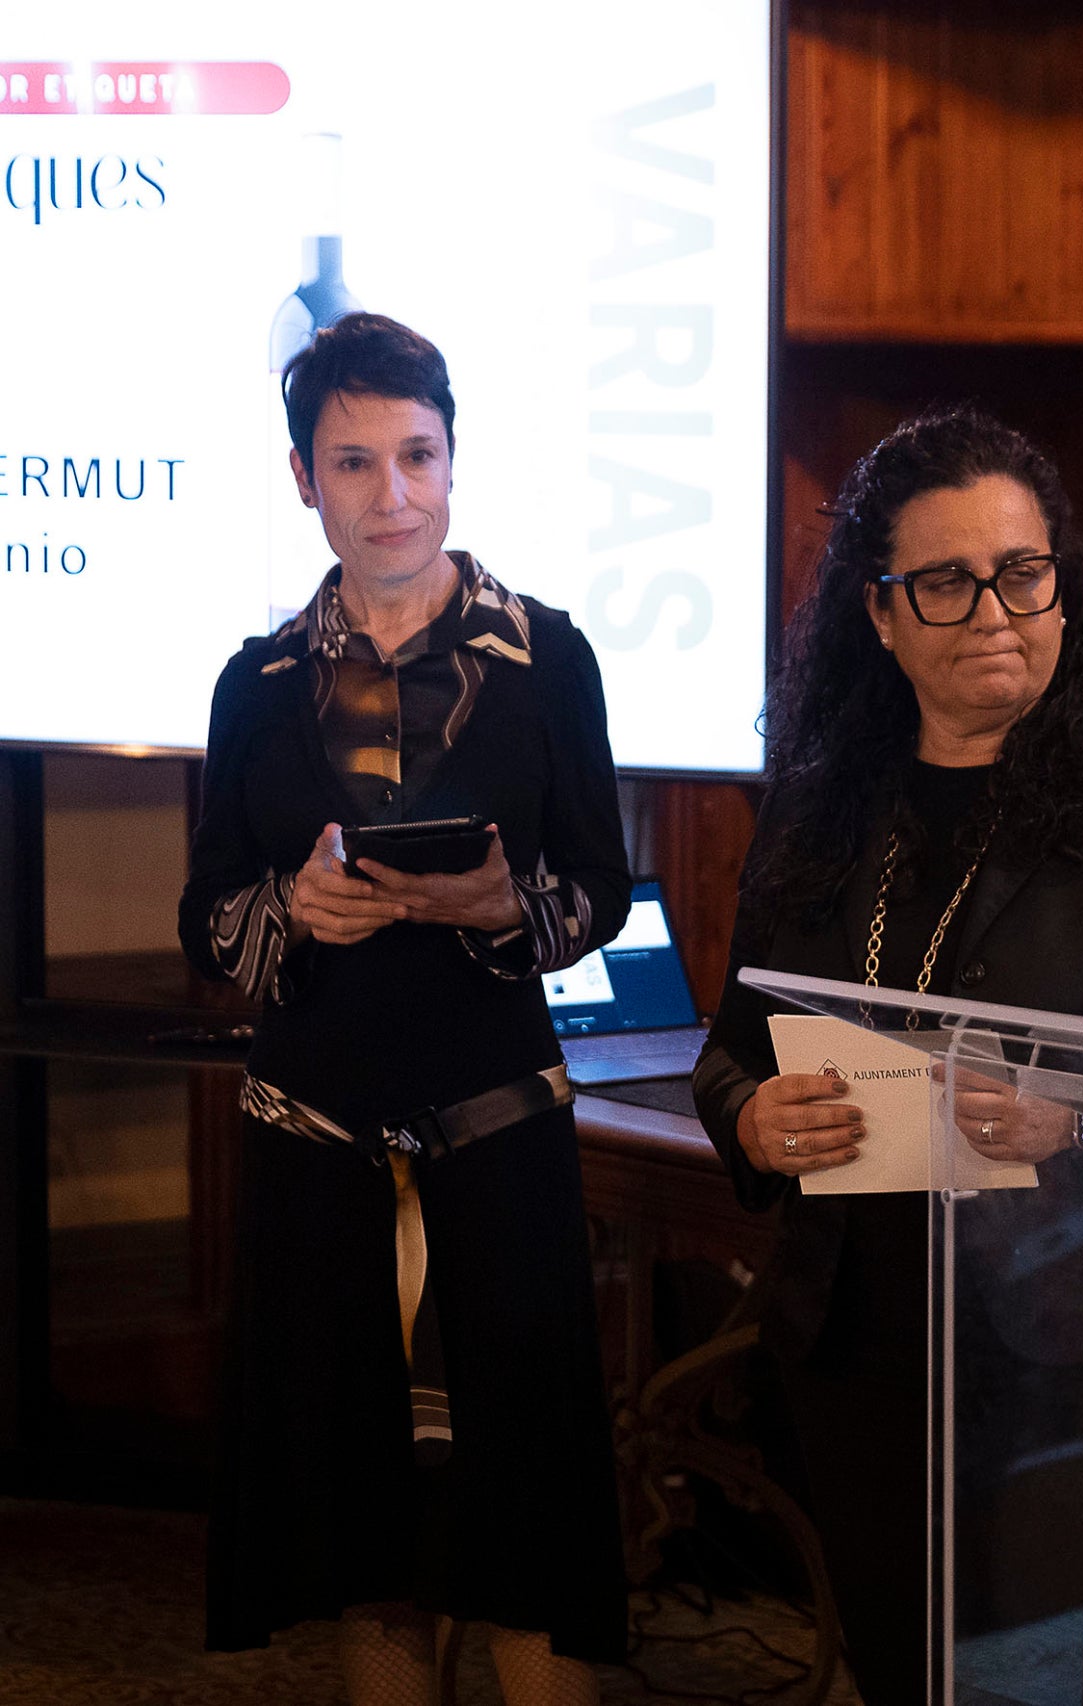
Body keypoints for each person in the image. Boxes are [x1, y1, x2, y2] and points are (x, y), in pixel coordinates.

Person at [692, 404, 1083, 1706]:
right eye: (946, 581)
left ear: (1061, 588)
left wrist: (1076, 1115)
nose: (994, 612)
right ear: (880, 613)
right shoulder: (817, 808)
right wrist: (753, 1120)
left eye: (1022, 574)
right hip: (868, 1348)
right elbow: (729, 1055)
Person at [179, 312, 631, 1706]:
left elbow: (600, 891)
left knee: (528, 1527)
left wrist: (504, 908)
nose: (394, 494)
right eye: (354, 462)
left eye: (417, 456)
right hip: (316, 1151)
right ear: (302, 478)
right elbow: (208, 913)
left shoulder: (550, 658)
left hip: (501, 1142)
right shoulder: (254, 685)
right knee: (365, 1534)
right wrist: (292, 912)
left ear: (452, 457)